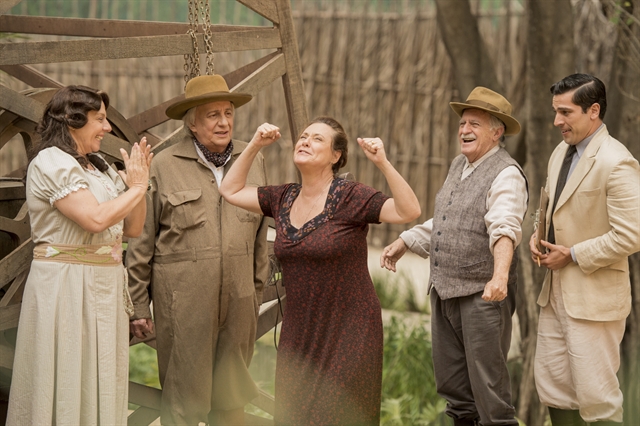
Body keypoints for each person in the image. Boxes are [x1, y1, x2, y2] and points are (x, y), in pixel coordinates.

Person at [219, 116, 421, 424]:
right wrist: (255, 145)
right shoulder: (282, 197)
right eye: (303, 136)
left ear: (336, 156)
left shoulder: (351, 196)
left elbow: (409, 210)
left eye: (317, 139)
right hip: (299, 330)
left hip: (349, 329)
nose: (305, 141)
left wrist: (382, 162)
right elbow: (230, 190)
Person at [125, 74, 269, 425]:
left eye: (228, 113)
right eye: (212, 115)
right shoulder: (165, 164)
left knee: (232, 402)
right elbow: (142, 240)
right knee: (183, 402)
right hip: (183, 302)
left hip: (239, 302)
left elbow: (261, 234)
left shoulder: (253, 162)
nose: (223, 122)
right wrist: (139, 304)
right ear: (192, 123)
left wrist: (253, 292)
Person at [380, 87, 528, 426]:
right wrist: (406, 239)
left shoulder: (506, 173)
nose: (464, 130)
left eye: (474, 124)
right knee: (456, 395)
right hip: (444, 292)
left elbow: (504, 227)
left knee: (490, 399)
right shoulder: (460, 164)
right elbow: (450, 218)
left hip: (482, 296)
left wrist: (499, 276)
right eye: (463, 123)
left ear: (497, 131)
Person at [6, 85, 152, 425]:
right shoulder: (52, 162)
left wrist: (135, 187)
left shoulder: (97, 167)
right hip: (66, 286)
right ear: (73, 120)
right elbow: (95, 218)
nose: (107, 128)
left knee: (99, 372)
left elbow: (132, 228)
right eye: (99, 119)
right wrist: (139, 188)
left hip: (103, 285)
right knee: (66, 371)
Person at [529, 74, 640, 426]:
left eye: (565, 112)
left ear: (594, 110)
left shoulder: (616, 161)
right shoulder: (560, 151)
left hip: (595, 298)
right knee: (555, 389)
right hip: (555, 292)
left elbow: (632, 234)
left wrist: (572, 254)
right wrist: (537, 234)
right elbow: (552, 207)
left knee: (597, 399)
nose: (556, 121)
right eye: (555, 111)